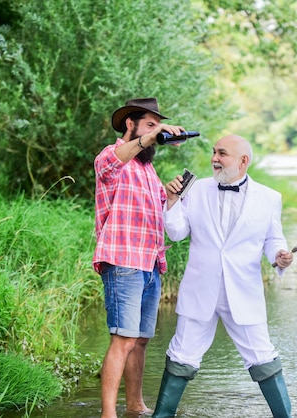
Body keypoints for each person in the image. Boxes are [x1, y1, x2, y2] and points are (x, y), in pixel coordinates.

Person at [152, 134, 294, 418]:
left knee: (262, 357)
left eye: (222, 153)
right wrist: (171, 201)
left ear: (243, 161)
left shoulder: (269, 198)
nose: (215, 159)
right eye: (214, 152)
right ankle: (161, 416)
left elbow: (273, 240)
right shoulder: (195, 189)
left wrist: (280, 255)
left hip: (243, 292)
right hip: (200, 288)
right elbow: (177, 232)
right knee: (182, 355)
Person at [93, 97, 186, 418]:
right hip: (123, 263)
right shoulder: (111, 156)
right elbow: (110, 165)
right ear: (129, 125)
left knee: (141, 341)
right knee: (123, 340)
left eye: (157, 126)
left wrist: (172, 197)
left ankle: (135, 406)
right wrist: (152, 135)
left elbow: (161, 217)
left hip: (151, 266)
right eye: (149, 124)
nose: (156, 132)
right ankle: (109, 414)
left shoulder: (149, 170)